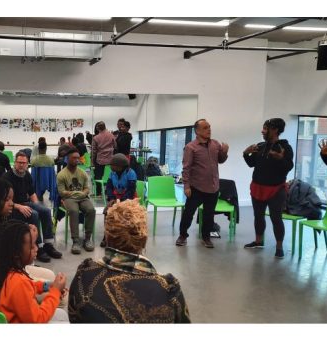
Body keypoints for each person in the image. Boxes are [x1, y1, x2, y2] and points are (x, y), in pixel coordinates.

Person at [68, 199, 191, 323]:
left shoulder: (84, 276)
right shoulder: (169, 292)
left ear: (108, 236)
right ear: (144, 239)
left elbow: (74, 318)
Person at [0, 219, 69, 323]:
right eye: (31, 246)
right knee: (63, 319)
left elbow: (29, 287)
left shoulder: (4, 271)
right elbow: (38, 319)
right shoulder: (19, 282)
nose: (36, 248)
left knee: (61, 314)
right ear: (16, 254)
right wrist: (56, 291)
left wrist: (49, 286)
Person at [243, 118, 294, 258]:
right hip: (258, 186)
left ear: (275, 130)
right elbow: (251, 163)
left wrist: (280, 159)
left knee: (276, 218)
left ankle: (279, 247)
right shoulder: (260, 146)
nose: (262, 131)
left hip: (276, 189)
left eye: (265, 128)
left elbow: (288, 167)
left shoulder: (285, 148)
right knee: (258, 216)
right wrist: (245, 153)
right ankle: (258, 241)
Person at [176, 119, 229, 248]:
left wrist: (224, 152)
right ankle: (183, 235)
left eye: (209, 127)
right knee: (188, 213)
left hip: (213, 187)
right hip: (196, 188)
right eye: (205, 128)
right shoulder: (191, 147)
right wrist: (186, 186)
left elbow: (220, 161)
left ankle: (206, 237)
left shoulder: (215, 144)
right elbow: (186, 168)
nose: (209, 130)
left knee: (209, 215)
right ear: (197, 131)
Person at [4, 152, 62, 263]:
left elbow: (32, 193)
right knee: (33, 214)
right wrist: (18, 206)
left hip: (25, 204)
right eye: (19, 162)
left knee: (45, 210)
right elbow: (4, 200)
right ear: (15, 163)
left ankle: (48, 244)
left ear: (27, 164)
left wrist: (37, 205)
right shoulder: (7, 177)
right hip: (12, 208)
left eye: (24, 163)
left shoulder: (27, 175)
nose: (21, 165)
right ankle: (38, 247)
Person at [57, 148, 96, 254]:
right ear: (68, 158)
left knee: (91, 210)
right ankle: (75, 241)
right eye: (74, 158)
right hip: (69, 199)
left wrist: (83, 193)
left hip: (82, 198)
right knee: (74, 211)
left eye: (78, 158)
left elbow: (87, 188)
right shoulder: (61, 174)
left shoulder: (83, 173)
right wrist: (76, 193)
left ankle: (87, 239)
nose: (77, 160)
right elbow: (61, 192)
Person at [100, 153, 137, 247]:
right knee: (107, 212)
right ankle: (106, 236)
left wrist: (121, 202)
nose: (111, 166)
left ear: (120, 166)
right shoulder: (112, 173)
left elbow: (131, 190)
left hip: (129, 198)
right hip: (116, 197)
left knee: (124, 213)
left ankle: (125, 238)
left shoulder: (131, 173)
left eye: (113, 165)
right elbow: (108, 187)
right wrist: (112, 198)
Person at [92, 121, 117, 195]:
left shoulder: (96, 138)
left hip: (100, 160)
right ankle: (109, 191)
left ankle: (98, 192)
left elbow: (94, 151)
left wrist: (92, 161)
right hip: (110, 160)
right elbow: (115, 146)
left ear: (97, 128)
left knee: (98, 177)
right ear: (105, 127)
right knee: (110, 176)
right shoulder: (112, 136)